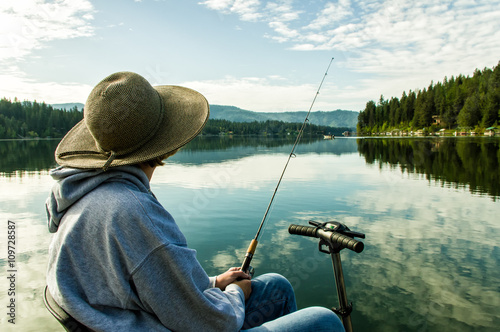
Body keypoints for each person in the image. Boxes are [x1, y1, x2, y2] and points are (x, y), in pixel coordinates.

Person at [46, 71, 345, 331]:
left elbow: (149, 286)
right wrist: (236, 294)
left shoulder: (82, 198)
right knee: (325, 321)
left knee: (276, 287)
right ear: (163, 144)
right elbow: (213, 324)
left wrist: (215, 283)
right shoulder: (134, 213)